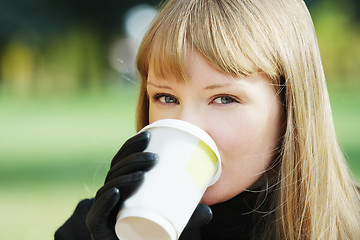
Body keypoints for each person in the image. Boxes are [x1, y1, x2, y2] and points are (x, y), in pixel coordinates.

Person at [55, 0, 360, 239]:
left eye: (224, 99)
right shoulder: (91, 228)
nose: (187, 123)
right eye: (166, 98)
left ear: (290, 105)